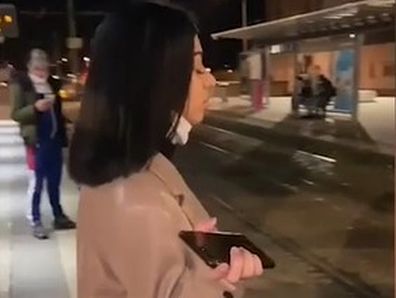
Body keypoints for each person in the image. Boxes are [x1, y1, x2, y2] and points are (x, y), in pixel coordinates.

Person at [69, 3, 264, 298]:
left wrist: (206, 257)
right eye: (197, 68)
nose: (210, 81)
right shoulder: (134, 201)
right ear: (155, 78)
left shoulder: (131, 173)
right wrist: (223, 279)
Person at [10, 49, 76, 240]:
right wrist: (35, 108)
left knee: (55, 181)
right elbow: (16, 114)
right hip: (37, 141)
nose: (42, 72)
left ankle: (58, 216)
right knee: (37, 182)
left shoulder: (51, 84)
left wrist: (66, 126)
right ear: (30, 67)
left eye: (44, 68)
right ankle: (35, 219)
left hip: (54, 140)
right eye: (38, 68)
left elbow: (57, 112)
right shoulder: (22, 85)